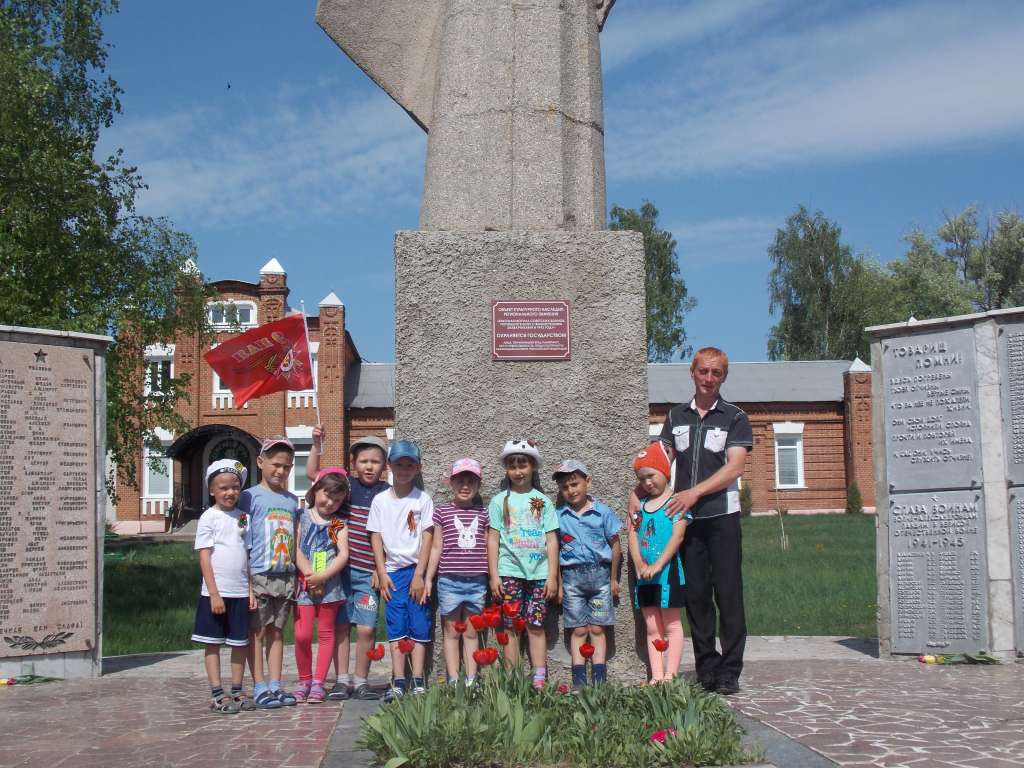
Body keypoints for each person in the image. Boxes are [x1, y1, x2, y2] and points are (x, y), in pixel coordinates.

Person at [656, 346, 752, 695]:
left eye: (716, 373)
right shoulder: (675, 416)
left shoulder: (734, 417)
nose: (709, 379)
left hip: (721, 517)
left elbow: (735, 466)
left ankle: (730, 670)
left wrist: (694, 493)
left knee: (727, 594)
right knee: (696, 595)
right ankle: (706, 669)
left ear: (723, 377)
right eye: (703, 372)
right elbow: (660, 461)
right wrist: (643, 487)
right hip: (686, 521)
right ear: (692, 373)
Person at [307, 428, 390, 701]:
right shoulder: (347, 487)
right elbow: (313, 476)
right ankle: (342, 680)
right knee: (341, 627)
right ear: (353, 464)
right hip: (338, 574)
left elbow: (391, 534)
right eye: (363, 461)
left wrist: (383, 568)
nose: (369, 466)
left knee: (366, 627)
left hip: (369, 574)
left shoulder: (387, 494)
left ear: (384, 466)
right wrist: (316, 444)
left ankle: (362, 680)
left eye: (375, 461)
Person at [487, 439, 559, 689]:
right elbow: (493, 539)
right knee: (510, 627)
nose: (518, 471)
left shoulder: (542, 501)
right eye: (512, 465)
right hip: (509, 572)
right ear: (506, 469)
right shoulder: (499, 501)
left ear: (533, 467)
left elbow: (551, 540)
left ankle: (539, 678)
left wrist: (552, 576)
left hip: (539, 574)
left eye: (523, 465)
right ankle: (513, 678)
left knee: (535, 624)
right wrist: (494, 575)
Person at [366, 439, 435, 700]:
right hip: (393, 573)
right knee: (396, 627)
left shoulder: (423, 500)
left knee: (419, 625)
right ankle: (398, 680)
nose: (404, 469)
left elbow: (428, 536)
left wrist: (420, 574)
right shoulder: (380, 501)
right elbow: (376, 537)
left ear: (418, 468)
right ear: (389, 466)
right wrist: (381, 572)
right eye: (399, 464)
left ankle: (418, 680)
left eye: (410, 464)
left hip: (415, 572)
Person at [241, 436, 300, 709]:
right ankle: (260, 685)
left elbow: (296, 538)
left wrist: (298, 572)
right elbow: (240, 538)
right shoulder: (249, 497)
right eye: (276, 465)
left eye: (287, 467)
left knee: (277, 631)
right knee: (258, 631)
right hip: (259, 573)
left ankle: (276, 684)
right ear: (261, 461)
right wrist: (247, 579)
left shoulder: (291, 501)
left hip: (284, 574)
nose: (281, 471)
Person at [191, 459, 254, 713]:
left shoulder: (243, 518)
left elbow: (246, 554)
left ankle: (237, 689)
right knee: (213, 643)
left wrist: (250, 590)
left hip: (240, 591)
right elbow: (205, 556)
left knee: (240, 643)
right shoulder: (209, 517)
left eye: (235, 487)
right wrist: (214, 593)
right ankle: (218, 693)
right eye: (223, 488)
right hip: (215, 594)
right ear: (212, 490)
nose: (230, 492)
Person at [552, 459, 621, 689]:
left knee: (598, 628)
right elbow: (557, 551)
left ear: (587, 482)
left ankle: (600, 683)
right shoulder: (559, 516)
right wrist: (560, 585)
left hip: (600, 576)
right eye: (565, 487)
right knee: (579, 629)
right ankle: (579, 683)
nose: (571, 491)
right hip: (572, 579)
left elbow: (615, 545)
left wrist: (613, 578)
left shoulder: (602, 512)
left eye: (575, 484)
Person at [424, 458, 489, 686]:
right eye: (459, 480)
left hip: (477, 582)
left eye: (470, 481)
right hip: (449, 581)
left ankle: (471, 679)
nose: (465, 486)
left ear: (478, 485)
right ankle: (453, 679)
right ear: (451, 483)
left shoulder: (483, 514)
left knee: (471, 633)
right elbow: (436, 546)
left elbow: (489, 546)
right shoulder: (442, 513)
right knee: (451, 632)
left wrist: (493, 576)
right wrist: (429, 579)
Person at [629, 443, 690, 683]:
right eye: (641, 479)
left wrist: (658, 565)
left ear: (665, 471)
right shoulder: (640, 507)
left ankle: (670, 676)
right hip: (645, 578)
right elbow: (632, 534)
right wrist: (639, 564)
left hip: (668, 574)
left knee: (672, 625)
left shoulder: (675, 503)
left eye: (651, 476)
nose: (647, 483)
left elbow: (678, 535)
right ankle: (655, 677)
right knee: (652, 627)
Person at [292, 467, 350, 703]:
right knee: (302, 634)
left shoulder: (337, 524)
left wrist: (324, 576)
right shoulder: (300, 516)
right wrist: (309, 573)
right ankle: (304, 679)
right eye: (327, 495)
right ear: (316, 490)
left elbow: (343, 554)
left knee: (326, 634)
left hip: (330, 588)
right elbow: (293, 547)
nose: (330, 503)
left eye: (337, 500)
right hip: (304, 585)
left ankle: (318, 683)